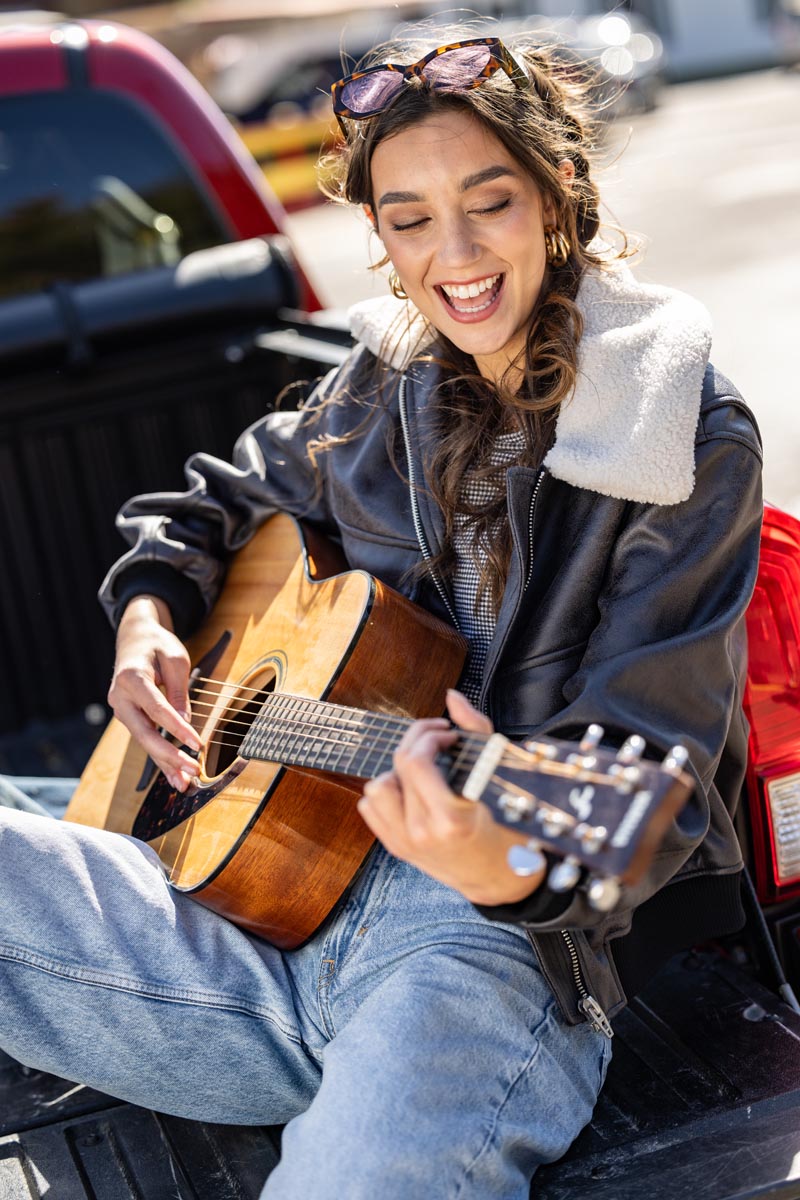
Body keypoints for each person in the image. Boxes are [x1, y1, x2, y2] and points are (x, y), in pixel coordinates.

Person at [0, 25, 763, 1199]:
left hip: (481, 955)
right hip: (260, 905)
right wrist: (150, 613)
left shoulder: (675, 431)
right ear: (380, 242)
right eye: (407, 221)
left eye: (487, 202)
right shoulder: (380, 387)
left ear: (559, 197)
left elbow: (647, 769)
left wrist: (507, 862)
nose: (450, 253)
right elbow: (216, 496)